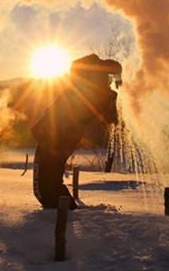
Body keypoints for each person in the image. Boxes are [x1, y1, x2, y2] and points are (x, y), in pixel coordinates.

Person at [31, 53, 122, 209]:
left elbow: (78, 66)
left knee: (45, 187)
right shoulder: (105, 96)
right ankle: (65, 211)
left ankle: (60, 215)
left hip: (55, 136)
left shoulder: (88, 89)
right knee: (50, 182)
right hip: (65, 136)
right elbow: (111, 120)